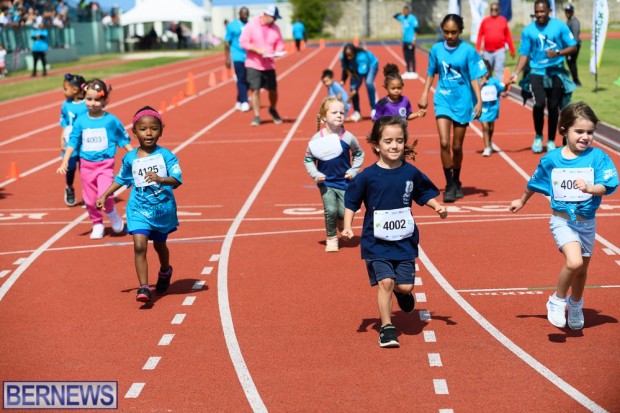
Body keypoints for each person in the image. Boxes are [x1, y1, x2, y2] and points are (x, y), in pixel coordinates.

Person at [509, 102, 618, 330]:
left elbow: (608, 184)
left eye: (590, 132)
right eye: (579, 131)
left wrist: (590, 188)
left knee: (582, 271)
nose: (585, 137)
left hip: (587, 223)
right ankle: (557, 300)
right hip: (562, 221)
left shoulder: (597, 157)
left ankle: (575, 305)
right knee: (574, 262)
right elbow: (534, 182)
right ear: (564, 130)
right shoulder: (552, 159)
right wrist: (521, 200)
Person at [342, 116, 448, 348]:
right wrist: (348, 226)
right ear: (376, 145)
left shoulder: (410, 173)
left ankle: (402, 294)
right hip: (376, 241)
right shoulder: (368, 176)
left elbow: (423, 193)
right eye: (388, 141)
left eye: (399, 141)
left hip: (404, 241)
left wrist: (437, 206)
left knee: (405, 286)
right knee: (386, 282)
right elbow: (351, 202)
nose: (394, 146)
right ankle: (387, 328)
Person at [96, 107, 182, 303]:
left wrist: (160, 179)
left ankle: (165, 271)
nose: (148, 133)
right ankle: (144, 287)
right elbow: (121, 178)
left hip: (161, 209)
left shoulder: (167, 156)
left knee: (160, 245)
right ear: (134, 132)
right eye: (143, 129)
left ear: (161, 130)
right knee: (139, 245)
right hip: (138, 209)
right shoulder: (130, 158)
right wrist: (105, 194)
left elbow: (177, 179)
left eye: (154, 129)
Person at [418, 14, 486, 203]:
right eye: (446, 32)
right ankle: (448, 185)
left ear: (460, 31)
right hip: (443, 100)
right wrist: (424, 94)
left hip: (463, 101)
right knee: (444, 142)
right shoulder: (436, 49)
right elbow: (430, 73)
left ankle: (456, 180)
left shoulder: (468, 51)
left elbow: (475, 77)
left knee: (457, 146)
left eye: (453, 32)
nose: (449, 36)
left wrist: (479, 100)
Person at [57, 79, 133, 239]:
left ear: (105, 100)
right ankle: (97, 223)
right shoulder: (81, 121)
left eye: (97, 99)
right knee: (90, 200)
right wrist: (65, 161)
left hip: (105, 165)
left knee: (106, 193)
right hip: (86, 166)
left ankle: (111, 212)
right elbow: (73, 141)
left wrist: (134, 157)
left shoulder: (111, 120)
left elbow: (122, 139)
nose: (92, 103)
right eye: (89, 99)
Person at [510, 0, 577, 154]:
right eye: (537, 12)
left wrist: (558, 53)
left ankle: (551, 140)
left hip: (556, 72)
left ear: (549, 11)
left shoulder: (559, 26)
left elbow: (573, 46)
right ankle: (538, 136)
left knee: (554, 107)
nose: (539, 14)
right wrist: (515, 73)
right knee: (539, 104)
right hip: (537, 72)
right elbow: (524, 54)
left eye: (542, 11)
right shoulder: (528, 30)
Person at [304, 97, 365, 252]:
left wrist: (353, 170)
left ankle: (340, 221)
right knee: (330, 209)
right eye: (334, 112)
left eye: (341, 113)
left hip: (345, 182)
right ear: (324, 117)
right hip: (326, 183)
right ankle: (331, 238)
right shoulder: (317, 139)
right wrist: (316, 174)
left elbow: (359, 154)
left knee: (344, 212)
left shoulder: (348, 137)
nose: (339, 115)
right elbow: (308, 159)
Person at [239, 4, 285, 127]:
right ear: (266, 15)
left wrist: (278, 50)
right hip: (253, 64)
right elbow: (243, 42)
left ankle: (273, 108)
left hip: (269, 64)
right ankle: (257, 115)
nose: (275, 20)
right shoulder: (252, 25)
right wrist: (256, 50)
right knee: (255, 89)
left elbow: (280, 43)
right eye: (273, 17)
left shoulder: (275, 28)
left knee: (273, 90)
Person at [59, 73, 88, 206]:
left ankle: (88, 194)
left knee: (85, 169)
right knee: (70, 168)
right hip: (70, 142)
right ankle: (69, 187)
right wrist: (62, 140)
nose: (63, 92)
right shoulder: (66, 105)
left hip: (85, 143)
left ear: (75, 90)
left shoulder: (87, 104)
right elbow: (65, 126)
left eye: (65, 89)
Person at [475, 2, 515, 81]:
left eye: (496, 9)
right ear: (490, 10)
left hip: (500, 51)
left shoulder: (503, 20)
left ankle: (498, 87)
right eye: (492, 9)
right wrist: (478, 48)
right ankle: (487, 86)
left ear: (499, 10)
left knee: (499, 71)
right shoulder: (485, 21)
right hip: (487, 51)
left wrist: (512, 49)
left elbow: (508, 36)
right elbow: (480, 35)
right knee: (486, 71)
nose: (494, 11)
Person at [340, 43, 379, 122]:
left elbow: (361, 75)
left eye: (350, 55)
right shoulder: (343, 57)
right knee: (352, 87)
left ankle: (373, 109)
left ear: (354, 53)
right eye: (347, 55)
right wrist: (342, 81)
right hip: (357, 68)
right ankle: (357, 112)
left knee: (368, 82)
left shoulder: (361, 57)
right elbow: (346, 69)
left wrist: (356, 89)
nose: (349, 57)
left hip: (371, 64)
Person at [478, 60, 507, 157]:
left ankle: (489, 141)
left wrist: (508, 84)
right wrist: (481, 84)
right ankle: (487, 148)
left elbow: (503, 88)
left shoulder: (494, 81)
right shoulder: (477, 82)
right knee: (485, 127)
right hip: (482, 109)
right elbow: (474, 92)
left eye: (487, 70)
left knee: (490, 128)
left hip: (493, 108)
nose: (485, 73)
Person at [225, 7, 250, 112]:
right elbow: (227, 42)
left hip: (249, 56)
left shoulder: (250, 25)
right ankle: (244, 101)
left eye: (247, 13)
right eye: (244, 13)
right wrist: (227, 58)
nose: (245, 15)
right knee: (241, 78)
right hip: (237, 56)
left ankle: (239, 100)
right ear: (239, 14)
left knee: (249, 79)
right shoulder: (232, 26)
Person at [393, 5, 419, 79]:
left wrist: (414, 39)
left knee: (411, 56)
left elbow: (416, 29)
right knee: (406, 56)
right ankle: (408, 71)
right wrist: (401, 13)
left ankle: (413, 71)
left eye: (407, 11)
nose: (405, 12)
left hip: (411, 41)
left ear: (409, 11)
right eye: (404, 11)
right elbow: (395, 16)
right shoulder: (402, 18)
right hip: (405, 40)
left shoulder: (412, 18)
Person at [563, 3, 581, 86]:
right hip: (569, 46)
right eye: (566, 11)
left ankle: (576, 81)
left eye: (569, 11)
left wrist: (572, 47)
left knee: (572, 62)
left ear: (572, 12)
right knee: (570, 63)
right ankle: (574, 80)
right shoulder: (569, 21)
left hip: (573, 46)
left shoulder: (574, 22)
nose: (567, 13)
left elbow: (575, 36)